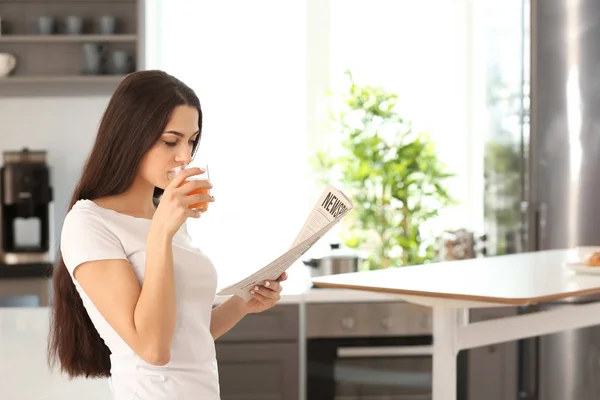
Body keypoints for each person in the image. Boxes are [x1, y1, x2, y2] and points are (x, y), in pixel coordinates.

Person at [47, 70, 287, 400]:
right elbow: (153, 349)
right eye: (171, 141)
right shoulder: (89, 223)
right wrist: (160, 232)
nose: (185, 157)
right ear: (131, 136)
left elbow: (186, 336)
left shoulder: (168, 214)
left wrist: (243, 303)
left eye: (191, 141)